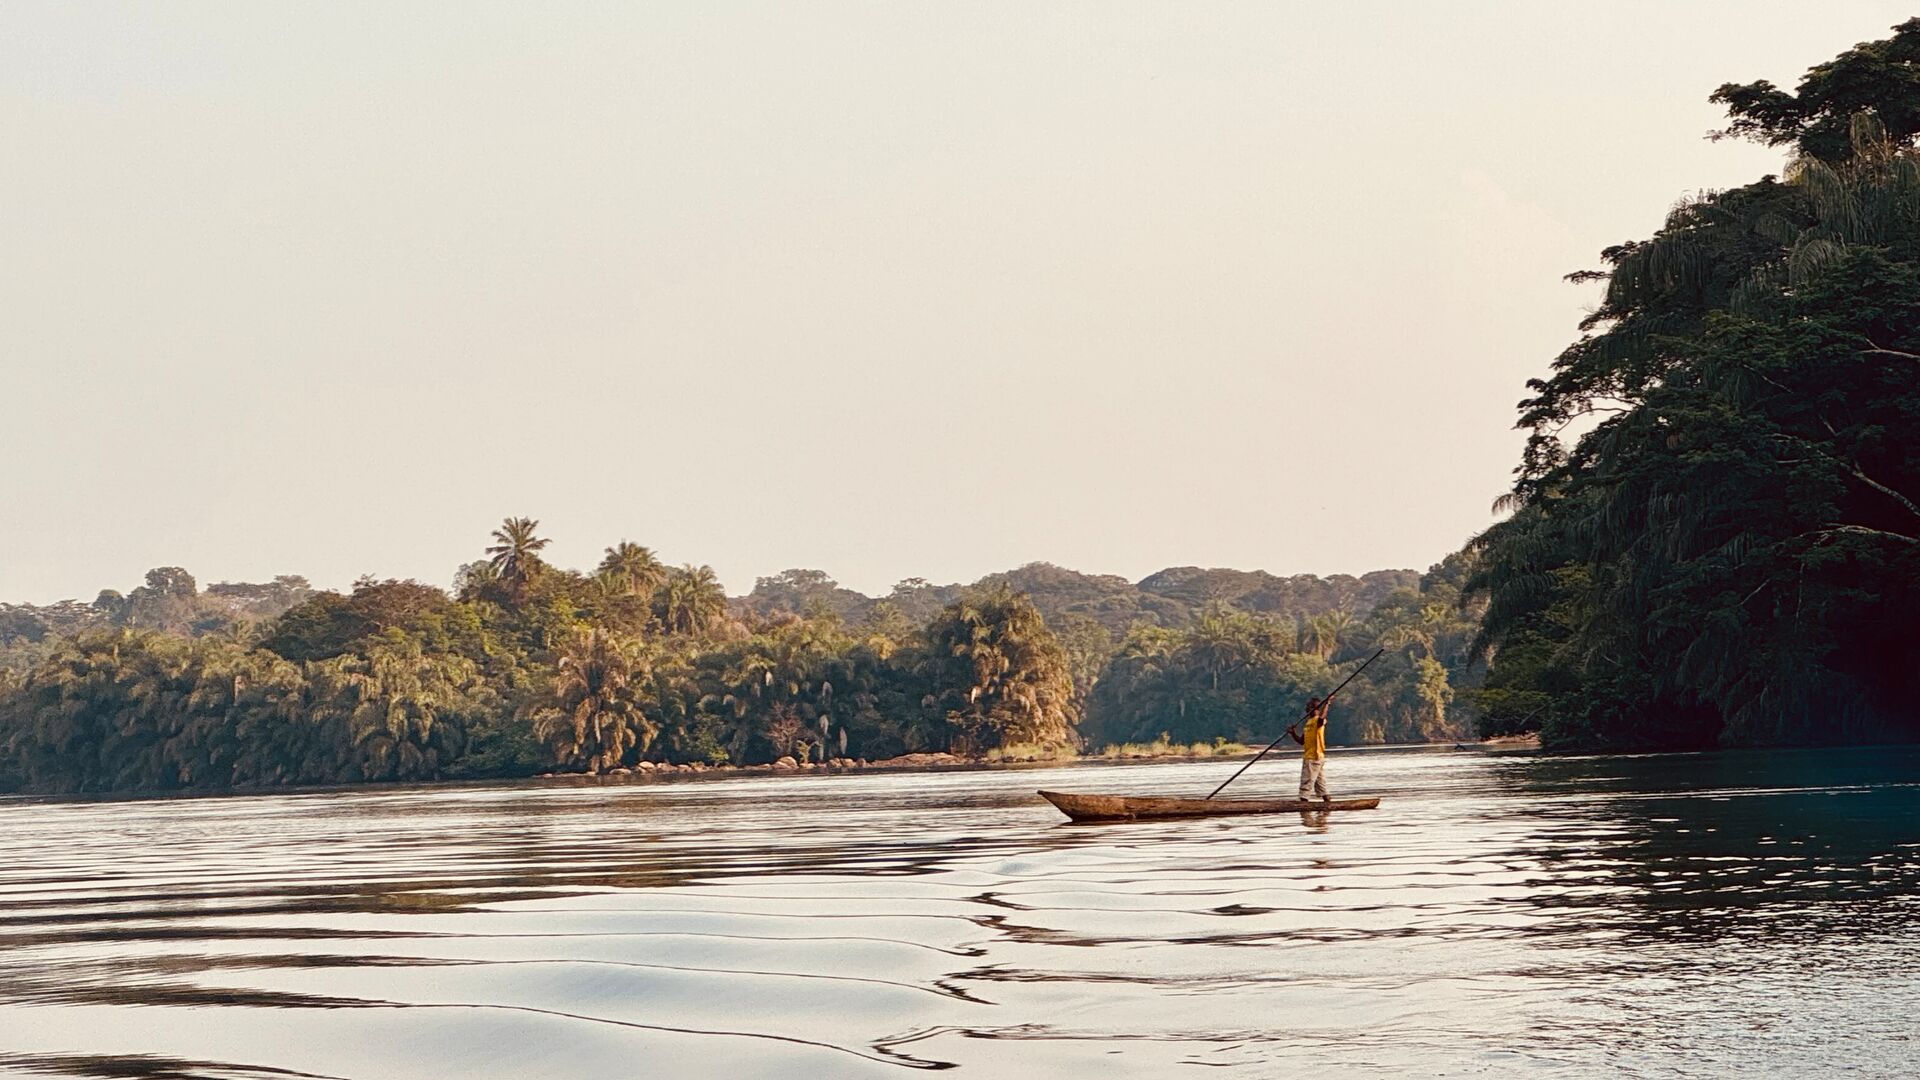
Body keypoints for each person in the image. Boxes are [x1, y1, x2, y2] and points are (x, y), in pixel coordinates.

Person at [1286, 697, 1331, 802]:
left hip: (1314, 756)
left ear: (1314, 708)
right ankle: (1327, 801)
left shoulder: (1318, 721)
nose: (1306, 708)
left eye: (1309, 706)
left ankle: (1303, 802)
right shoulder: (1308, 723)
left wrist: (1327, 703)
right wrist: (1293, 733)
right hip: (1310, 756)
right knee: (1320, 784)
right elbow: (1302, 741)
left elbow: (1322, 718)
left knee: (1306, 781)